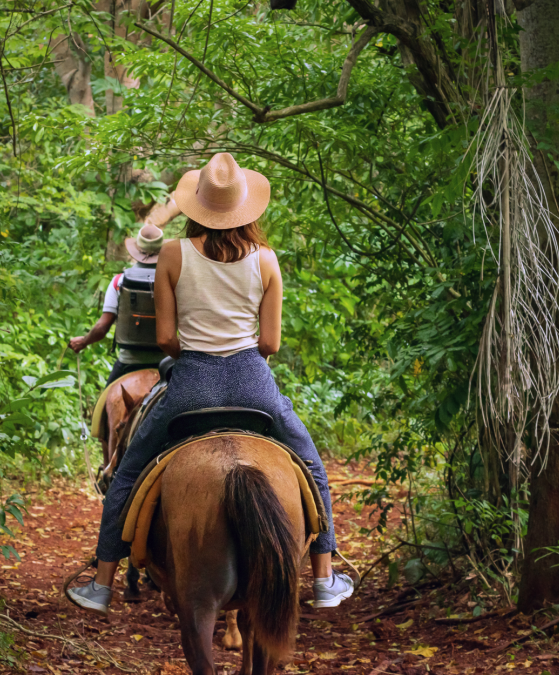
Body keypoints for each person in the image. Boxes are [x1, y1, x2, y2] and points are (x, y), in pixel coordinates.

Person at [68, 153, 355, 615]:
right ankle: (324, 578)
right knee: (311, 464)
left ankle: (101, 583)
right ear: (245, 207)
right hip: (252, 383)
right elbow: (271, 343)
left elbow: (164, 338)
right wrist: (239, 360)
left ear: (198, 206)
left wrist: (196, 358)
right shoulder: (266, 258)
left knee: (126, 472)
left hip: (191, 386)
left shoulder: (174, 255)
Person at [70, 224, 166, 385]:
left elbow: (102, 328)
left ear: (137, 251)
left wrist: (83, 341)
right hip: (163, 363)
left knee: (102, 408)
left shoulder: (119, 281)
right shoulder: (174, 282)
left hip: (129, 363)